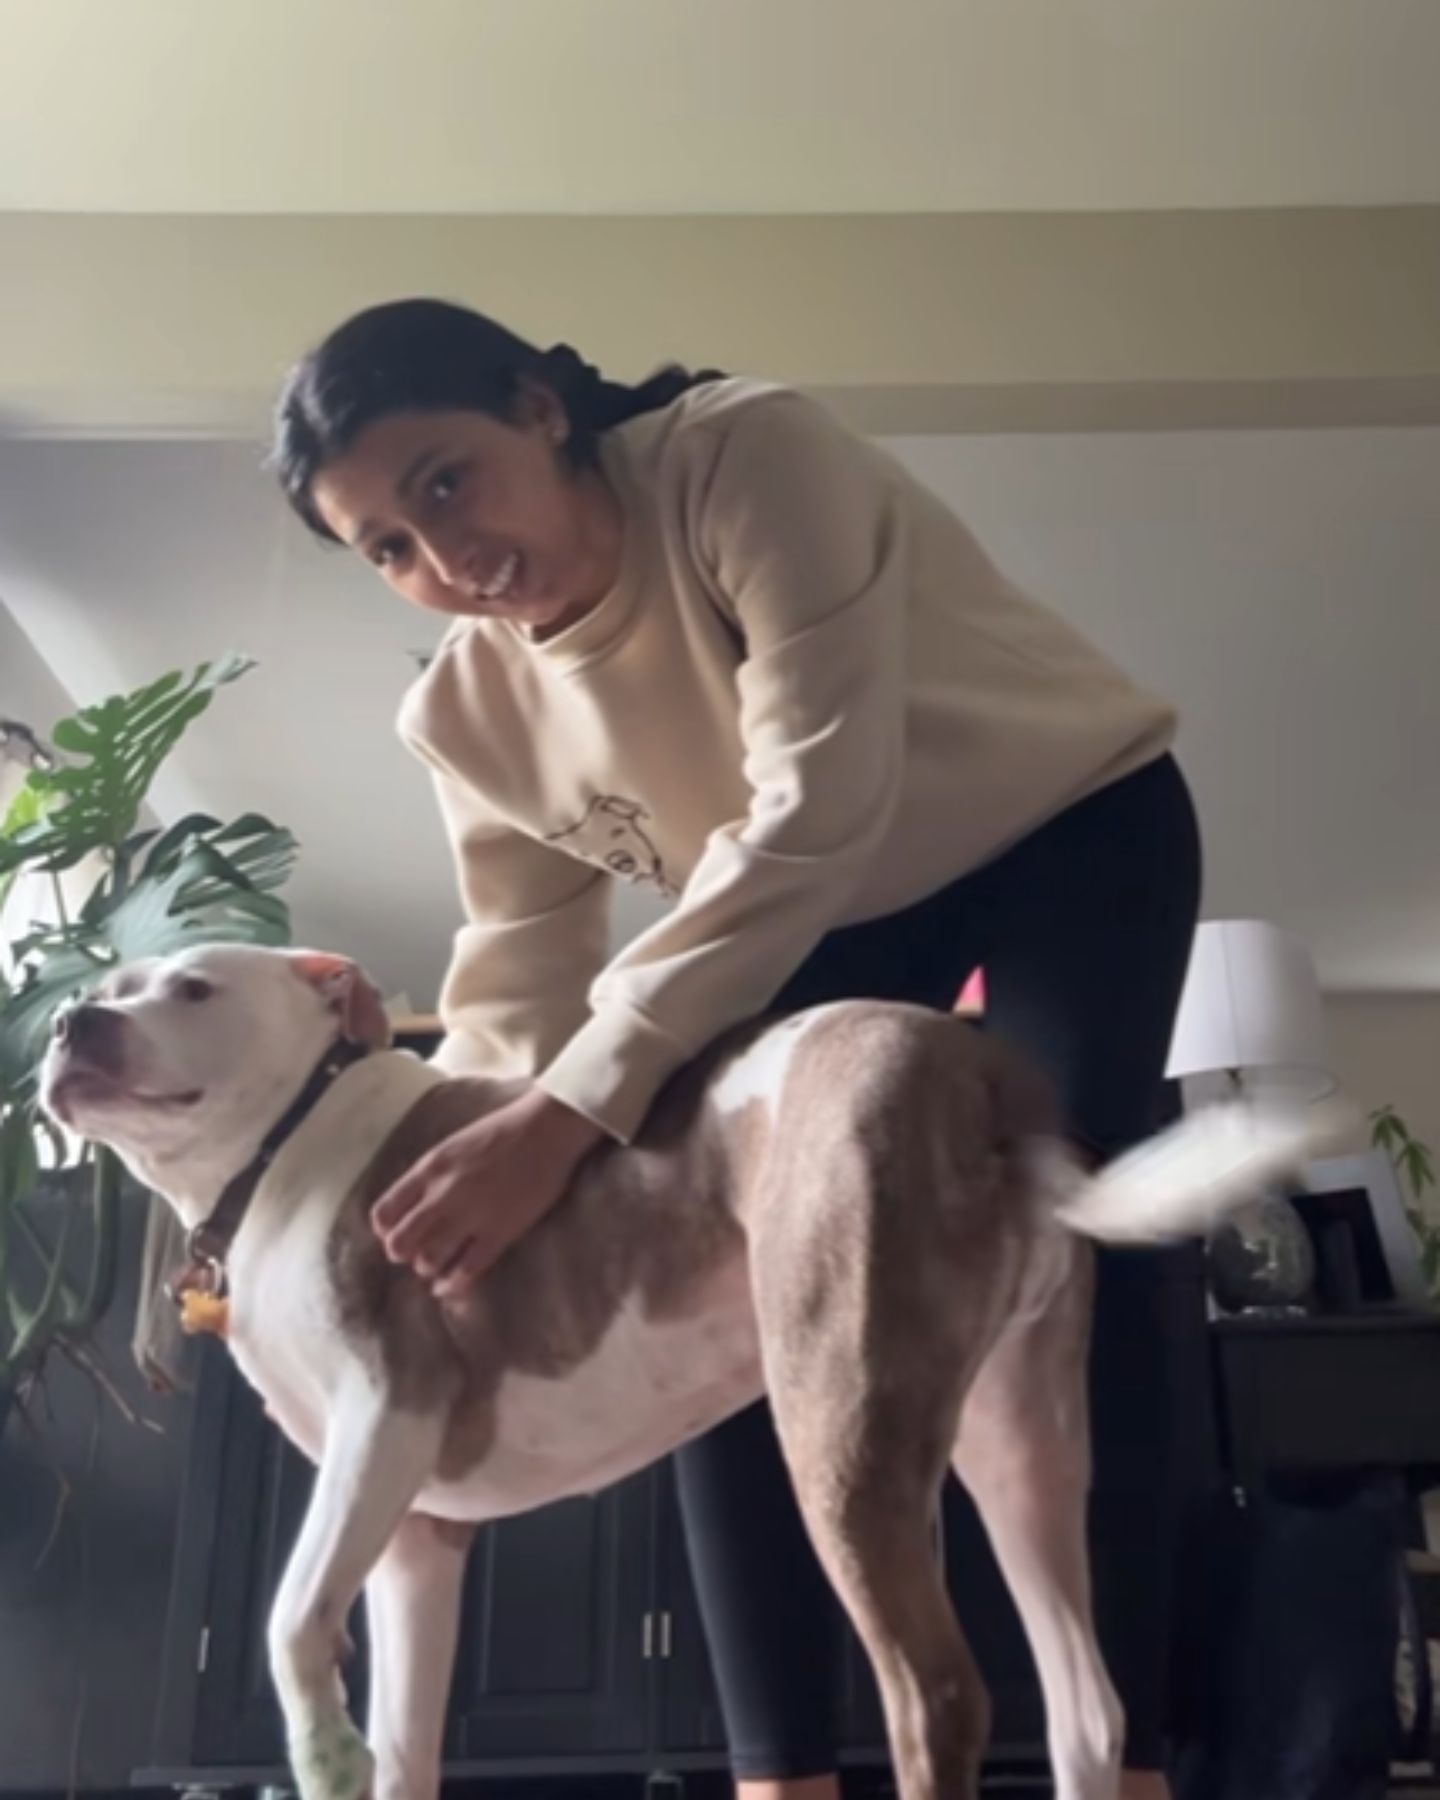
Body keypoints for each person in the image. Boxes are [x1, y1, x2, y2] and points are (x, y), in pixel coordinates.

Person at [272, 297, 1202, 1800]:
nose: (445, 564)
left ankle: (1126, 1751)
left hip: (1059, 834)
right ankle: (782, 1774)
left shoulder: (743, 459)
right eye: (386, 546)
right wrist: (459, 1165)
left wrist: (574, 1105)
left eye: (446, 481)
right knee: (711, 1246)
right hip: (803, 919)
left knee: (1069, 1227)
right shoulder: (459, 710)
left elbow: (816, 811)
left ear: (539, 408)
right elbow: (520, 971)